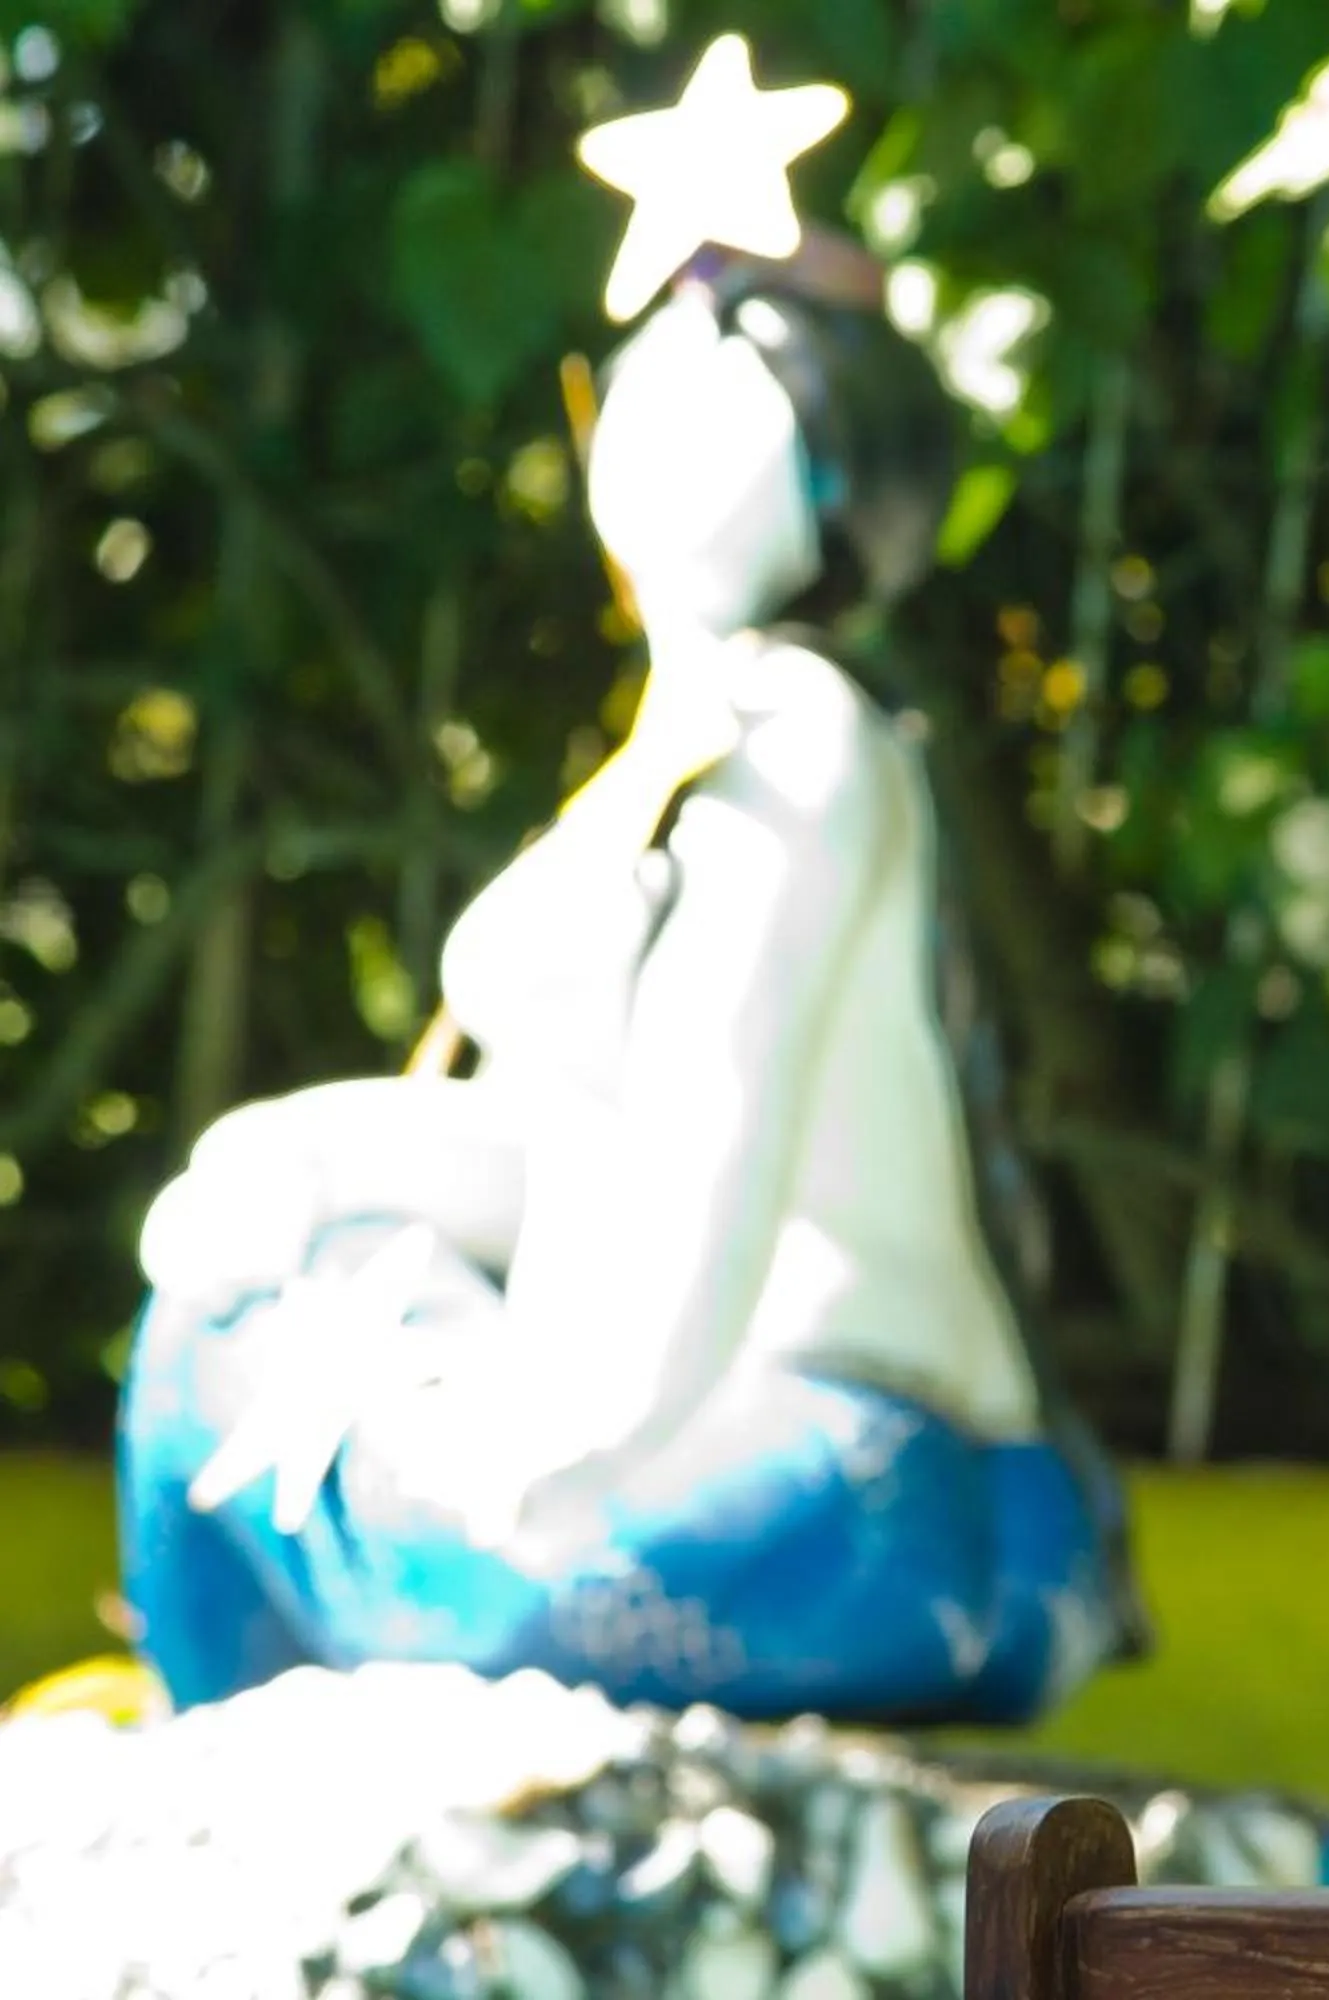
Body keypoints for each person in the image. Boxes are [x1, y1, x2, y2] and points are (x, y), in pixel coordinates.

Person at [115, 233, 1146, 1724]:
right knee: (257, 1254)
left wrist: (569, 1431)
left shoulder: (792, 731)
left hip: (849, 1484)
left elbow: (716, 1121)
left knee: (208, 1350)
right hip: (790, 1482)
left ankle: (212, 1754)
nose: (657, 394)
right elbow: (582, 1161)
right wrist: (309, 1155)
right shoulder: (682, 751)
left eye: (719, 353)